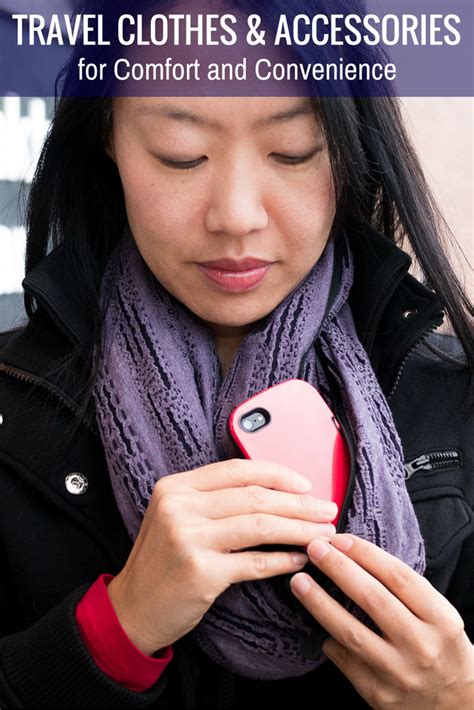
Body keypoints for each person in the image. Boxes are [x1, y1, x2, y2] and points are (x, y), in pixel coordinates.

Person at [0, 4, 473, 709]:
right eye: (180, 154)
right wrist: (113, 630)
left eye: (293, 152)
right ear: (106, 135)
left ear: (348, 149)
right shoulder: (15, 405)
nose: (236, 215)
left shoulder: (451, 398)